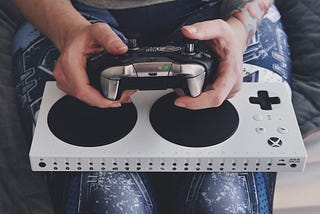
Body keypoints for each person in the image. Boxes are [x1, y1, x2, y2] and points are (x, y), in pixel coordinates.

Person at [11, 0, 290, 213]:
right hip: (71, 13)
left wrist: (239, 29)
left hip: (221, 14)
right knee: (108, 199)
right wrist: (68, 31)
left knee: (227, 198)